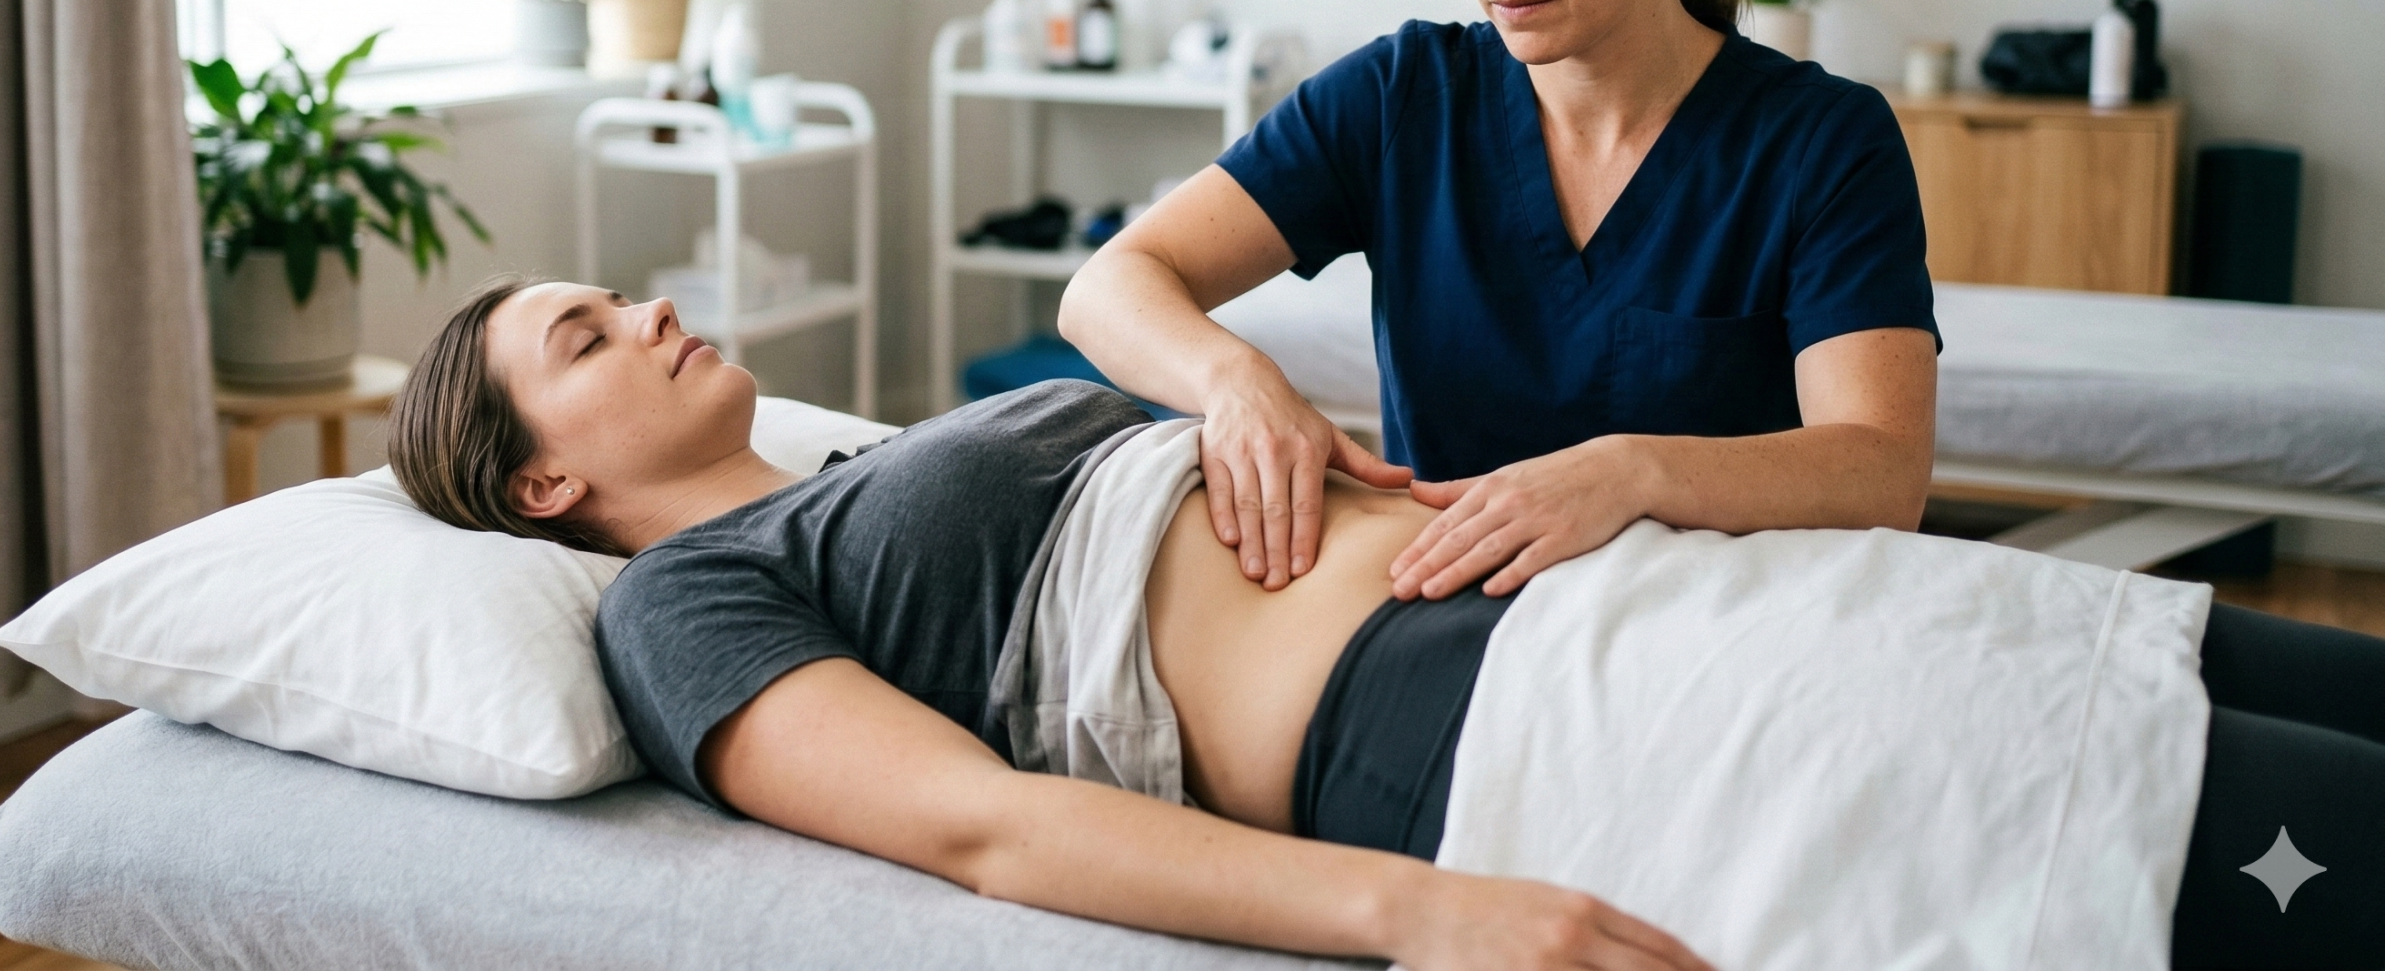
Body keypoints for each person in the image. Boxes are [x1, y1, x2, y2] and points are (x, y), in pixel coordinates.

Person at [389, 279, 2385, 971]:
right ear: (538, 476)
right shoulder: (684, 602)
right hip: (1471, 709)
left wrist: (1238, 398)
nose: (643, 311)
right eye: (583, 335)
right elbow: (974, 826)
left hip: (1635, 577)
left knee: (2254, 676)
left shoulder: (866, 458)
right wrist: (1418, 908)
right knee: (2285, 837)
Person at [1059, 0, 1939, 602]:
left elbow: (1880, 469)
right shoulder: (1401, 99)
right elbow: (1107, 288)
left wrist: (1633, 474)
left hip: (1710, 648)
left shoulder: (1822, 142)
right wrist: (1236, 380)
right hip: (1451, 649)